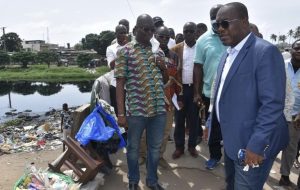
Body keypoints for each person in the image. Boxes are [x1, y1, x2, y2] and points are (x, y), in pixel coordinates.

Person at [210, 2, 288, 189]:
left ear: (244, 22)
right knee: (231, 184)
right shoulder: (226, 55)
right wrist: (211, 122)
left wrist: (256, 145)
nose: (220, 29)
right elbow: (221, 94)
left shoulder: (264, 52)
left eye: (225, 23)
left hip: (252, 146)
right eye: (216, 25)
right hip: (231, 142)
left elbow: (272, 105)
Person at [115, 14, 167, 190]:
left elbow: (166, 79)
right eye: (146, 29)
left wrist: (163, 66)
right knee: (133, 149)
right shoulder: (125, 51)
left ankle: (152, 181)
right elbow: (120, 83)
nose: (150, 33)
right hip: (136, 111)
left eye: (152, 30)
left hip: (158, 110)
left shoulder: (158, 51)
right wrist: (121, 114)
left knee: (154, 149)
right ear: (136, 29)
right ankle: (133, 180)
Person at [140, 26, 183, 168]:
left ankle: (159, 156)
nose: (164, 40)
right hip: (150, 99)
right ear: (155, 36)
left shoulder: (174, 56)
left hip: (169, 99)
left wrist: (179, 96)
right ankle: (144, 156)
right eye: (161, 37)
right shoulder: (148, 53)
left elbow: (176, 77)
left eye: (167, 37)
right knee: (147, 130)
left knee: (165, 130)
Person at [193, 4, 226, 170]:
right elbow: (197, 66)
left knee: (233, 126)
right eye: (213, 15)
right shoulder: (203, 40)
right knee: (212, 127)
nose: (217, 18)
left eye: (220, 14)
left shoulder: (233, 35)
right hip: (210, 93)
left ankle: (233, 155)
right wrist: (197, 92)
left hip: (232, 94)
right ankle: (214, 156)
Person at [171, 22, 200, 159]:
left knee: (194, 120)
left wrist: (198, 92)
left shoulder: (201, 48)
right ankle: (179, 147)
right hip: (180, 90)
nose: (188, 34)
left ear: (196, 33)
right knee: (179, 119)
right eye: (185, 31)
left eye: (191, 31)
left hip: (194, 90)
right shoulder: (176, 48)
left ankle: (192, 146)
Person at [279, 39, 300, 187]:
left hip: (296, 117)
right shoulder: (281, 67)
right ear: (291, 50)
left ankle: (284, 175)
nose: (299, 51)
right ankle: (258, 170)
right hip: (277, 114)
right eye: (297, 48)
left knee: (291, 148)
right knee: (269, 144)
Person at [106, 24, 128, 115]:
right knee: (119, 113)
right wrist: (123, 50)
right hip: (116, 85)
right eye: (121, 33)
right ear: (116, 34)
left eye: (125, 33)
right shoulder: (110, 48)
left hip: (132, 85)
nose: (123, 35)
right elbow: (111, 65)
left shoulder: (133, 47)